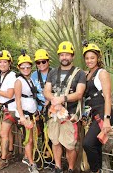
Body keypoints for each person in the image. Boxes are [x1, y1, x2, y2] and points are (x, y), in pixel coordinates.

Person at [43, 41, 86, 173]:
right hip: (54, 113)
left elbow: (79, 93)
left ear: (72, 56)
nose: (64, 57)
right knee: (55, 141)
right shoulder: (53, 72)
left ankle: (71, 168)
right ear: (59, 56)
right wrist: (55, 101)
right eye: (62, 55)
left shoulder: (79, 74)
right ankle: (58, 167)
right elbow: (46, 91)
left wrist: (63, 99)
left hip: (70, 115)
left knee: (69, 145)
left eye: (67, 54)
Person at [82, 42, 113, 173]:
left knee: (88, 144)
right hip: (93, 114)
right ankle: (99, 170)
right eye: (87, 58)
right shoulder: (87, 74)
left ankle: (95, 171)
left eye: (92, 58)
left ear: (98, 58)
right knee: (95, 146)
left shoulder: (102, 73)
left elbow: (108, 97)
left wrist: (106, 119)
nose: (89, 60)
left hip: (102, 114)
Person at [14, 52, 39, 173]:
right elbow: (17, 99)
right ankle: (31, 163)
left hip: (32, 113)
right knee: (28, 139)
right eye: (23, 67)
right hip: (24, 115)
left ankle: (27, 157)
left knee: (32, 138)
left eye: (28, 67)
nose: (25, 69)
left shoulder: (30, 79)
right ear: (19, 68)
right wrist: (22, 117)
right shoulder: (19, 81)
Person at [30, 49, 55, 170]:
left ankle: (53, 160)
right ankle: (46, 158)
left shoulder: (54, 73)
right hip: (39, 109)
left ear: (48, 61)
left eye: (43, 62)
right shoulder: (34, 75)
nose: (41, 65)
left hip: (52, 109)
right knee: (42, 135)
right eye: (38, 63)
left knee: (52, 136)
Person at [0, 50, 17, 171]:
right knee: (8, 132)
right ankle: (10, 151)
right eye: (0, 62)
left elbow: (10, 93)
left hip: (11, 109)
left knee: (3, 134)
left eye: (5, 62)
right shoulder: (3, 75)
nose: (2, 64)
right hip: (7, 107)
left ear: (9, 63)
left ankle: (3, 160)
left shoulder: (11, 75)